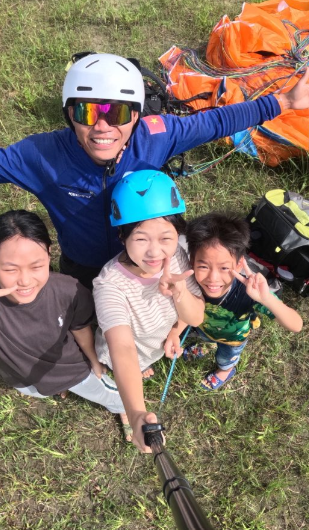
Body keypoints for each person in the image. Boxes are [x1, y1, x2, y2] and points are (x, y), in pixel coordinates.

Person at [0, 53, 309, 288]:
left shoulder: (157, 134)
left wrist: (283, 102)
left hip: (144, 255)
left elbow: (216, 121)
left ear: (136, 115)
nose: (103, 127)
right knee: (88, 317)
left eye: (118, 113)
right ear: (68, 114)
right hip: (83, 264)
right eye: (87, 112)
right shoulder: (41, 155)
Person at [0, 209, 131, 440]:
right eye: (10, 269)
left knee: (112, 395)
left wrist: (94, 361)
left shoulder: (68, 290)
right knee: (41, 391)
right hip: (23, 380)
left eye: (36, 266)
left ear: (49, 254)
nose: (25, 281)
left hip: (74, 372)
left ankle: (123, 408)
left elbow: (80, 327)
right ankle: (58, 389)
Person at [92, 171, 204, 452]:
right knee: (121, 374)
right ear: (122, 236)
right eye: (141, 239)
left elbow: (196, 317)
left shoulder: (179, 256)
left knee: (143, 363)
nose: (155, 252)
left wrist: (178, 313)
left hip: (157, 342)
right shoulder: (109, 285)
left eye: (166, 238)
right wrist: (136, 413)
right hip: (125, 355)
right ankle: (123, 407)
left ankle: (143, 369)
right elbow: (122, 348)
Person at [163, 212, 302, 390]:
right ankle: (208, 345)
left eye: (224, 268)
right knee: (205, 338)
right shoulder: (191, 283)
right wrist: (175, 333)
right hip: (204, 330)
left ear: (238, 265)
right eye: (203, 266)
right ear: (192, 262)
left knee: (225, 357)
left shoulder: (249, 292)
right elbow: (189, 311)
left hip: (232, 339)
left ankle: (225, 370)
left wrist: (267, 298)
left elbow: (296, 325)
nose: (213, 278)